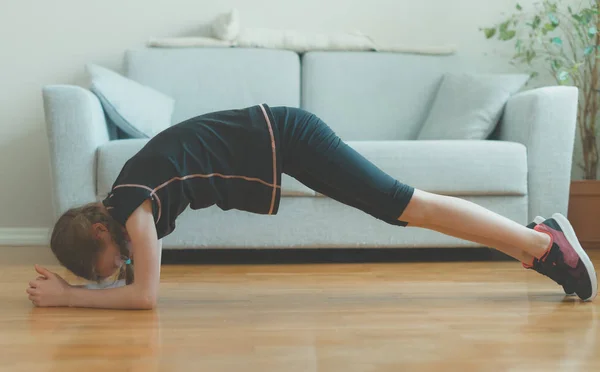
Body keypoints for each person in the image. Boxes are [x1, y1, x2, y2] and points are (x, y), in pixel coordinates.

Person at [27, 104, 597, 309]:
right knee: (400, 206)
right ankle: (536, 242)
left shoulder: (133, 210)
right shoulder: (124, 199)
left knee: (403, 205)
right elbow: (134, 281)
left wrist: (70, 298)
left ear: (100, 230)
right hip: (285, 136)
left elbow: (144, 297)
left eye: (110, 262)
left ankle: (542, 243)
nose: (123, 264)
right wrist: (86, 287)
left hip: (290, 136)